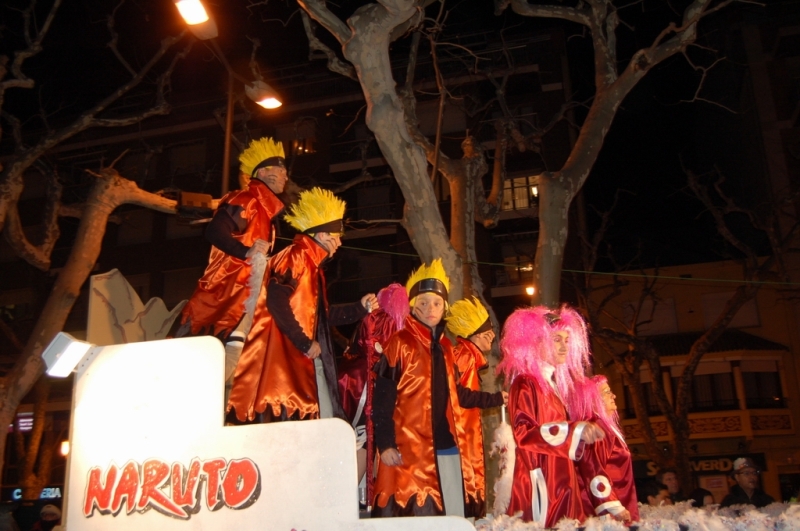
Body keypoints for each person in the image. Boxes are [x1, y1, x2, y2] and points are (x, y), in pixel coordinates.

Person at [227, 187, 378, 423]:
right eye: (336, 236)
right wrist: (304, 342)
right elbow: (276, 299)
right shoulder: (295, 256)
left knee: (320, 420)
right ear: (320, 235)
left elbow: (322, 318)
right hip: (287, 360)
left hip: (301, 359)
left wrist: (359, 307)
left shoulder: (312, 267)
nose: (339, 243)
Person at [371, 260, 507, 518]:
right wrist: (386, 444)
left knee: (451, 515)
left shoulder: (446, 347)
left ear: (444, 306)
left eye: (435, 302)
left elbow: (459, 395)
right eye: (422, 303)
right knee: (414, 515)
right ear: (413, 306)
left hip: (447, 446)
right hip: (409, 450)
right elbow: (382, 399)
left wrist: (496, 398)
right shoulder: (399, 343)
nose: (429, 308)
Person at [172, 137, 287, 383]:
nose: (286, 176)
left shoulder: (267, 214)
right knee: (208, 355)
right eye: (281, 170)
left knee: (238, 353)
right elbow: (215, 231)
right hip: (226, 292)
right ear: (264, 171)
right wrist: (245, 252)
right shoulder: (245, 200)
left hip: (245, 296)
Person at [496, 305, 603, 527]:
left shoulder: (549, 385)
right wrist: (575, 430)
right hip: (542, 486)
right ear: (537, 342)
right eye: (557, 340)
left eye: (566, 340)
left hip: (560, 481)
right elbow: (524, 434)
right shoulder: (525, 382)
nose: (565, 346)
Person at [336, 283, 408, 507]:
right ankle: (345, 500)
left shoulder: (372, 316)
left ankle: (348, 497)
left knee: (361, 439)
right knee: (365, 438)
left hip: (353, 379)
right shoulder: (393, 322)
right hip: (369, 383)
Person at [444, 296, 496, 519]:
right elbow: (460, 396)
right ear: (477, 335)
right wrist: (495, 399)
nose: (493, 335)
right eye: (489, 331)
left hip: (464, 436)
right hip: (462, 437)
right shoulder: (465, 355)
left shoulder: (467, 355)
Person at [571, 375, 637, 523]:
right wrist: (613, 506)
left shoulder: (605, 427)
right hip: (607, 511)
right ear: (593, 400)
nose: (614, 395)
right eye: (607, 392)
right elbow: (592, 467)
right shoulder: (597, 427)